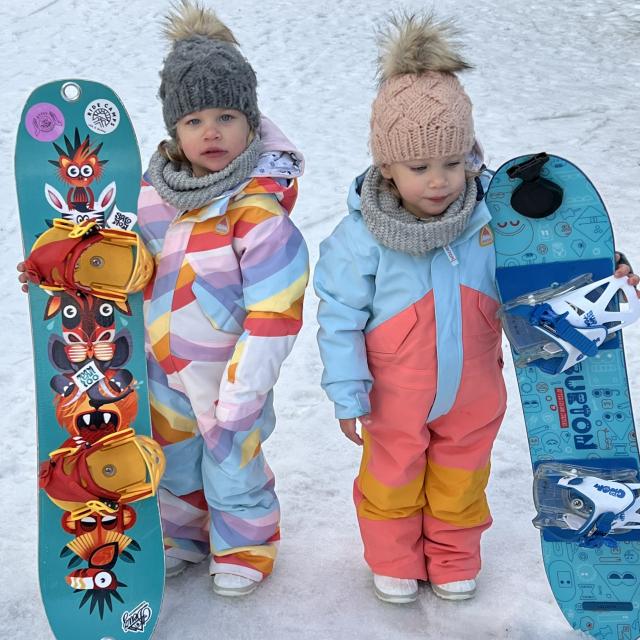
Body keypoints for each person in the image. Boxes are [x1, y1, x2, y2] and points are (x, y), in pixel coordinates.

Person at [313, 12, 638, 605]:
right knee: (392, 480)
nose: (439, 180)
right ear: (386, 166)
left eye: (454, 162)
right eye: (419, 166)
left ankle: (455, 557)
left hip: (474, 392)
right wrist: (347, 390)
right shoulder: (361, 237)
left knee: (462, 480)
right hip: (394, 395)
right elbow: (338, 313)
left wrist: (599, 271)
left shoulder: (496, 221)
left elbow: (547, 266)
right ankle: (394, 559)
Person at [16, 0, 308, 597]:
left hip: (229, 370)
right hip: (155, 370)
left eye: (228, 116)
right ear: (175, 128)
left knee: (234, 464)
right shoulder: (148, 197)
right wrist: (56, 276)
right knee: (172, 468)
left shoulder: (258, 212)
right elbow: (115, 264)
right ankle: (184, 538)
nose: (212, 131)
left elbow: (276, 310)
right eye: (195, 119)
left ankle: (245, 544)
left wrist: (246, 384)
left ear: (252, 122)